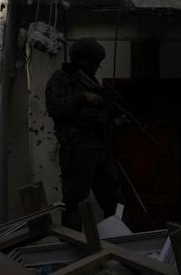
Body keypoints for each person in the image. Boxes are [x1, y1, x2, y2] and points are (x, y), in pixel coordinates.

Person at [45, 38, 124, 230]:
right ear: (79, 59)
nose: (97, 66)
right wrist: (83, 98)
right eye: (93, 61)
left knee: (115, 199)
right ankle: (73, 252)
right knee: (75, 204)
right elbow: (55, 107)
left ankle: (118, 242)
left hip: (99, 148)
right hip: (77, 150)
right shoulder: (61, 79)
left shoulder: (91, 82)